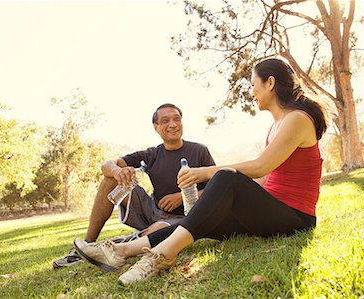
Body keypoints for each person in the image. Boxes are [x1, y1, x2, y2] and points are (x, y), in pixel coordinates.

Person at [73, 58, 328, 285]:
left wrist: (206, 173)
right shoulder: (277, 125)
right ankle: (120, 252)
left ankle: (162, 256)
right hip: (271, 213)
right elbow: (263, 178)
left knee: (225, 177)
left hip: (296, 219)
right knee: (200, 219)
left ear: (269, 82)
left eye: (253, 84)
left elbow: (262, 166)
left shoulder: (297, 118)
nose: (252, 92)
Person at [53, 103, 215, 269]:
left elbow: (215, 190)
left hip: (183, 218)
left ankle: (108, 248)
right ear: (156, 127)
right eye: (165, 121)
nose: (173, 124)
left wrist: (181, 197)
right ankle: (86, 244)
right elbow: (107, 166)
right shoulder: (151, 154)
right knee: (110, 179)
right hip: (153, 211)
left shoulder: (199, 151)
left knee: (156, 231)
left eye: (177, 119)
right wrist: (117, 171)